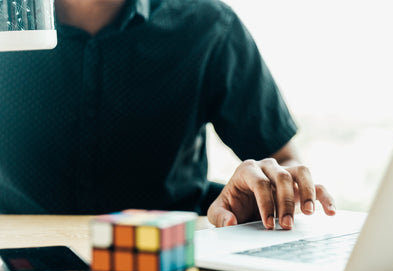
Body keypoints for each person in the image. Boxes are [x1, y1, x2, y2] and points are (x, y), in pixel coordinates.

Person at [0, 0, 336, 230]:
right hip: (18, 261)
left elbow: (283, 161)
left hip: (172, 256)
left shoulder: (208, 25)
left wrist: (270, 188)